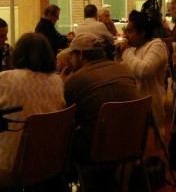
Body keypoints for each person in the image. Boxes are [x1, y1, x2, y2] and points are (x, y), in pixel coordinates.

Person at [60, 33, 138, 162]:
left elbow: (64, 117)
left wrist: (62, 84)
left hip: (97, 148)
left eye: (71, 56)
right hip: (132, 141)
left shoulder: (76, 79)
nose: (70, 61)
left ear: (80, 54)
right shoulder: (125, 70)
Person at [0, 33, 65, 172]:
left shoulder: (4, 79)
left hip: (9, 163)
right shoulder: (57, 81)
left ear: (17, 53)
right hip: (48, 160)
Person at [119, 10, 169, 134]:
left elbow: (143, 71)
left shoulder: (157, 46)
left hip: (151, 107)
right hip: (134, 104)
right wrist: (119, 56)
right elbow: (123, 72)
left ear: (142, 33)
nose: (126, 35)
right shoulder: (135, 48)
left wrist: (126, 52)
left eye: (130, 31)